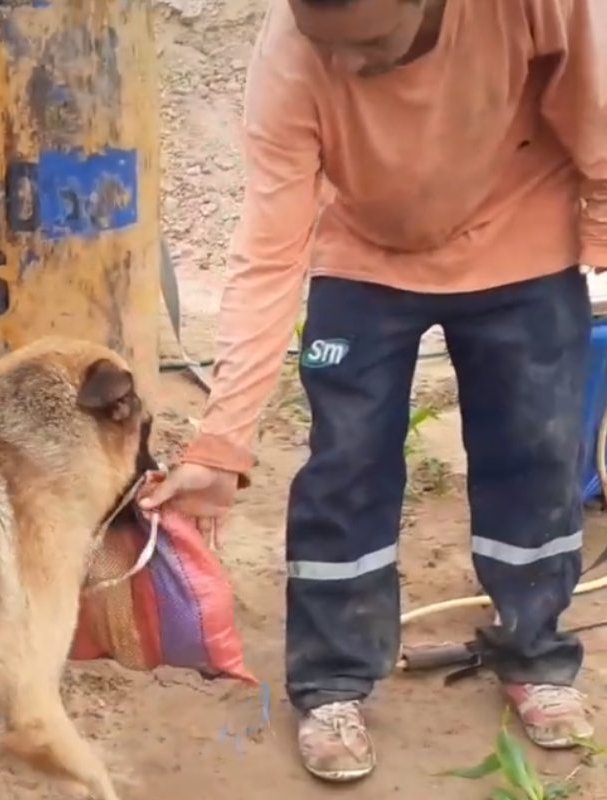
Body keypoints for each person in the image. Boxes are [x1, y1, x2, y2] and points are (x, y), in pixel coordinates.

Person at [138, 0, 605, 783]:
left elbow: (597, 114)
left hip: (524, 234)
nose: (347, 70)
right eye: (330, 49)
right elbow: (267, 256)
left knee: (537, 455)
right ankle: (331, 683)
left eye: (370, 49)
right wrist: (222, 442)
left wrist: (597, 243)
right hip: (365, 257)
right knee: (345, 466)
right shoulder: (292, 57)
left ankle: (537, 656)